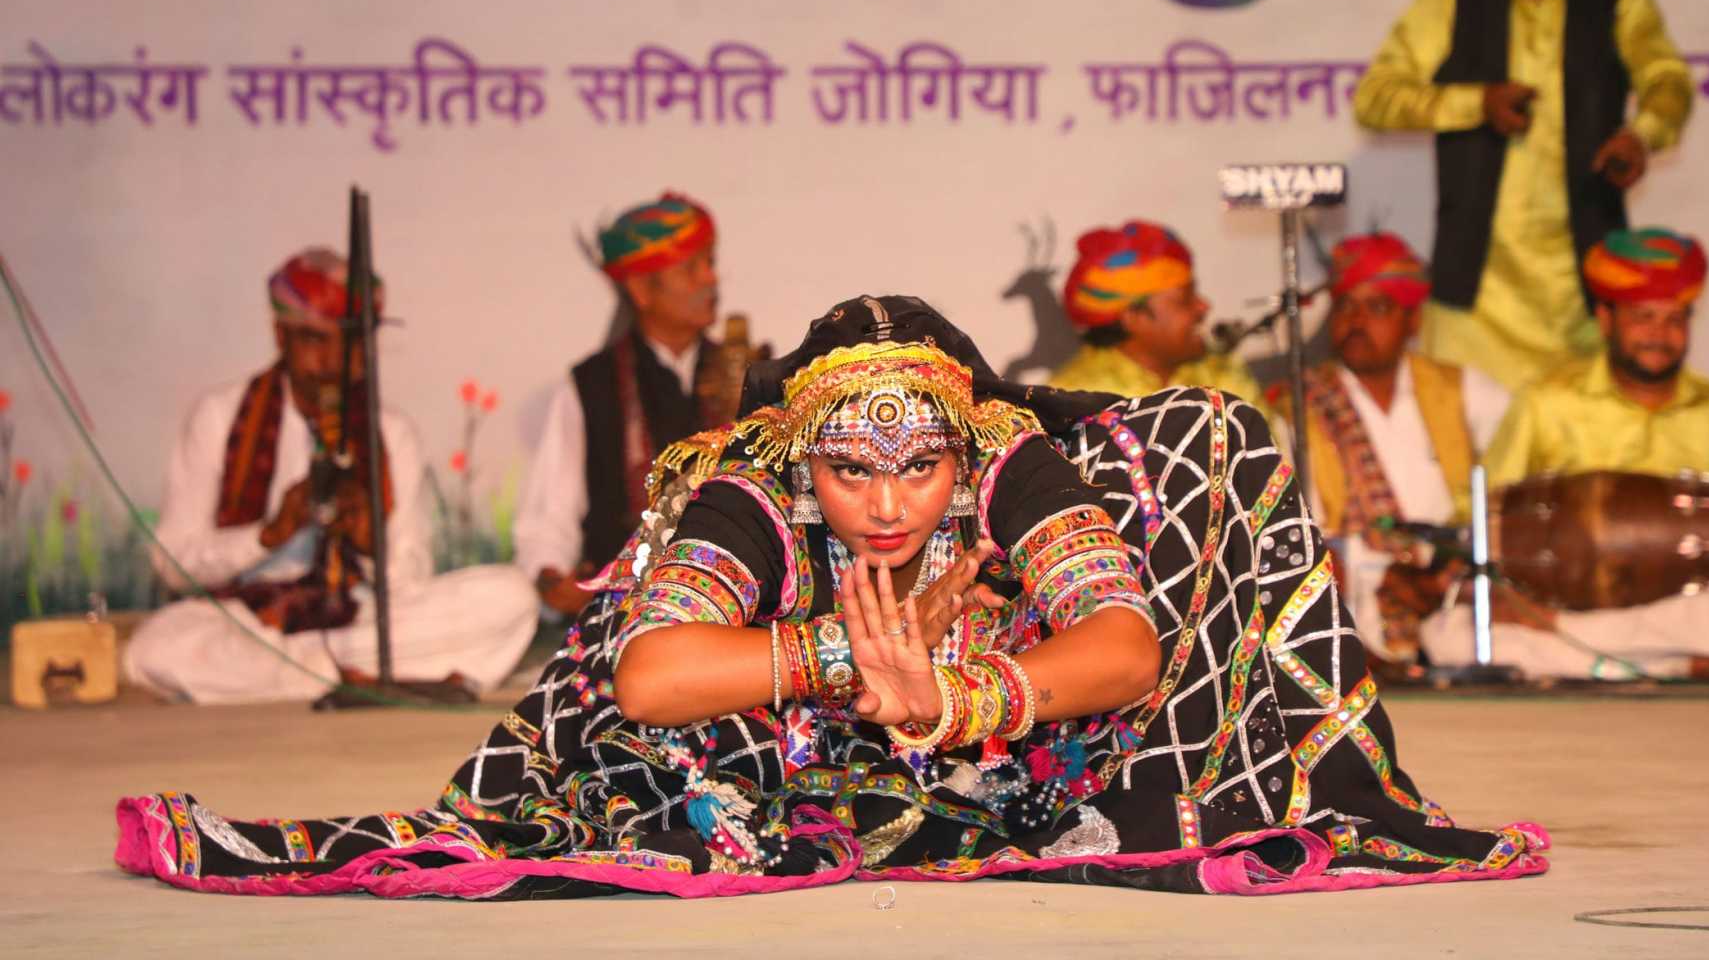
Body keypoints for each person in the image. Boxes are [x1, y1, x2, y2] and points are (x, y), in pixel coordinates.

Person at [119, 295, 1546, 897]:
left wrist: (969, 693)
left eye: (918, 465)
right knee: (632, 709)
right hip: (774, 747)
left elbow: (1122, 648)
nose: (886, 500)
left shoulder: (1009, 460)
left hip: (1011, 738)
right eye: (851, 469)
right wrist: (841, 663)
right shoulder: (756, 488)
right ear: (804, 457)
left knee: (1211, 445)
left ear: (963, 445)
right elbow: (652, 679)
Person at [1352, 0, 1694, 391]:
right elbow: (1375, 97)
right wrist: (1473, 104)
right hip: (1476, 293)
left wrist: (1641, 136)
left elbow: (1668, 81)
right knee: (1464, 444)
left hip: (1582, 293)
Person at [122, 249, 537, 704]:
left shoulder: (391, 433)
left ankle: (305, 672)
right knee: (154, 649)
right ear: (280, 335)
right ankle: (342, 673)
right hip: (245, 618)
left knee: (512, 598)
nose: (335, 361)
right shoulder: (219, 418)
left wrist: (369, 541)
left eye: (351, 344)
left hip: (358, 616)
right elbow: (172, 564)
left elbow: (411, 578)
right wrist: (268, 534)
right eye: (316, 341)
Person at [1421, 228, 1709, 677]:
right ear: (1605, 320)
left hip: (1674, 611)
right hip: (1563, 603)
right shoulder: (1547, 403)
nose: (1659, 335)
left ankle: (1597, 655)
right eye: (1643, 317)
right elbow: (1484, 512)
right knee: (1449, 636)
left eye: (1674, 319)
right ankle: (1671, 666)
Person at [1270, 234, 1509, 666]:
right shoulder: (1299, 409)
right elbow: (1300, 543)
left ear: (1413, 321)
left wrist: (1446, 572)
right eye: (1345, 306)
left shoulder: (1466, 392)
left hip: (1457, 591)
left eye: (1378, 307)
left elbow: (1511, 499)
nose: (1356, 321)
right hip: (1353, 603)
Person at [514, 193, 727, 615]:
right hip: (622, 608)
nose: (710, 279)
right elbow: (550, 517)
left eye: (710, 262)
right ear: (641, 290)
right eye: (691, 268)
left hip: (729, 600)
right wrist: (553, 579)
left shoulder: (744, 375)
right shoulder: (591, 386)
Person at [1049, 220, 1274, 420]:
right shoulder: (1070, 400)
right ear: (1133, 318)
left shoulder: (1224, 374)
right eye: (1185, 299)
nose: (1203, 306)